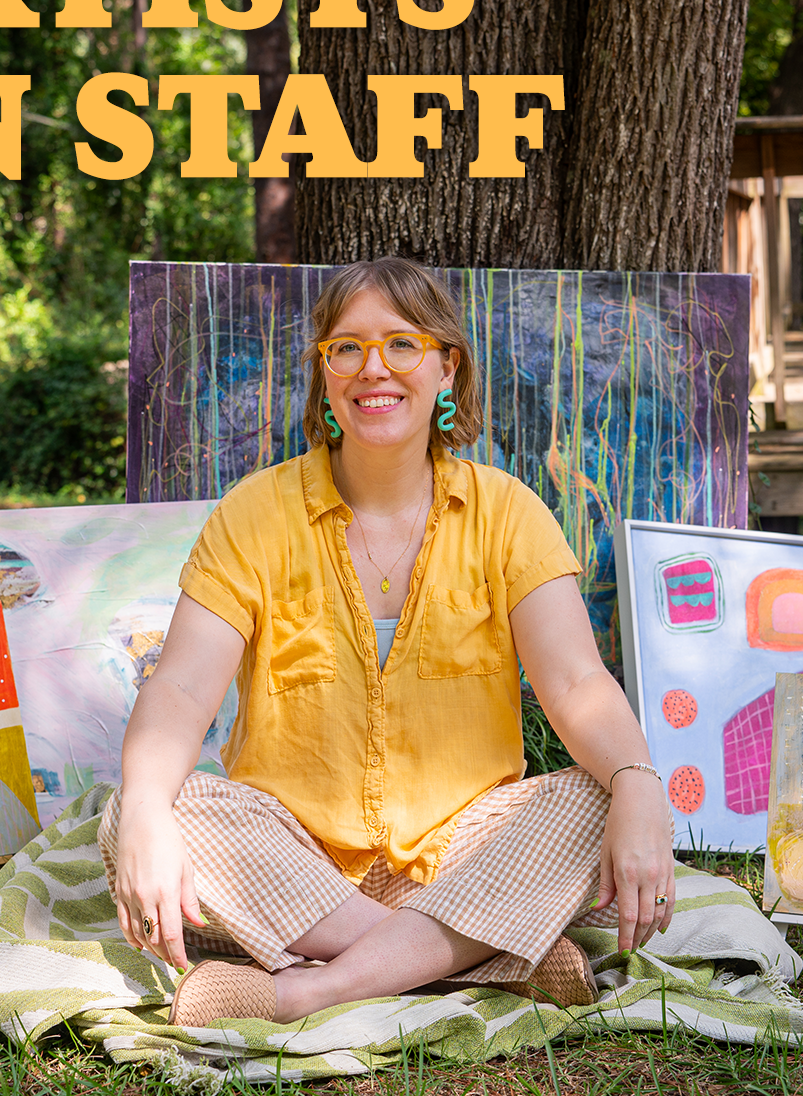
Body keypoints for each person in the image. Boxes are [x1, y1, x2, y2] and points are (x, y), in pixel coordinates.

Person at [97, 257, 676, 1026]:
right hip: (294, 862)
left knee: (597, 798)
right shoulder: (253, 514)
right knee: (136, 810)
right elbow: (178, 690)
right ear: (325, 374)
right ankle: (483, 962)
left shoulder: (509, 513)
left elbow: (575, 685)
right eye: (348, 348)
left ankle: (313, 988)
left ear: (447, 367)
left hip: (466, 858)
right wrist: (143, 810)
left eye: (403, 344)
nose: (375, 368)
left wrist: (640, 784)